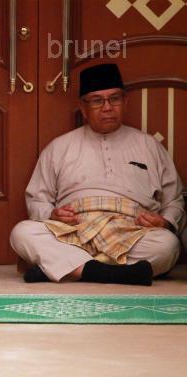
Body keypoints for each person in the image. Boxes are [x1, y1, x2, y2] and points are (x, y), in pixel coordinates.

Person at [10, 63, 184, 286]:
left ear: (125, 102)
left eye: (114, 99)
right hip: (73, 231)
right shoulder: (59, 147)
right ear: (83, 108)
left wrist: (165, 222)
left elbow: (174, 199)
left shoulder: (149, 145)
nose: (107, 107)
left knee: (168, 245)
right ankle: (115, 273)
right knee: (22, 232)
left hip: (131, 231)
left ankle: (67, 268)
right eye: (97, 101)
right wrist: (52, 214)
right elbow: (37, 199)